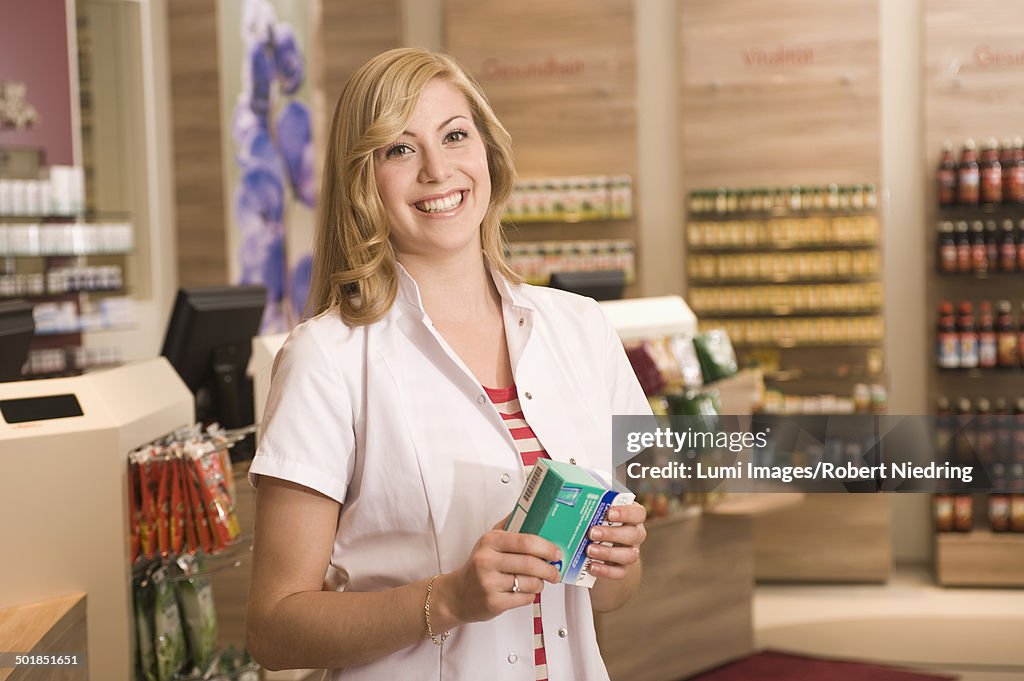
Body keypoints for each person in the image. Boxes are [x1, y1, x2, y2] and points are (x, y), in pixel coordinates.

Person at [245, 47, 651, 681]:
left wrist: (617, 564)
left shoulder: (580, 329)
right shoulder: (326, 359)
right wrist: (452, 599)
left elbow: (612, 597)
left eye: (455, 136)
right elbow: (274, 629)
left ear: (485, 152)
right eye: (399, 150)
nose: (438, 169)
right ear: (362, 180)